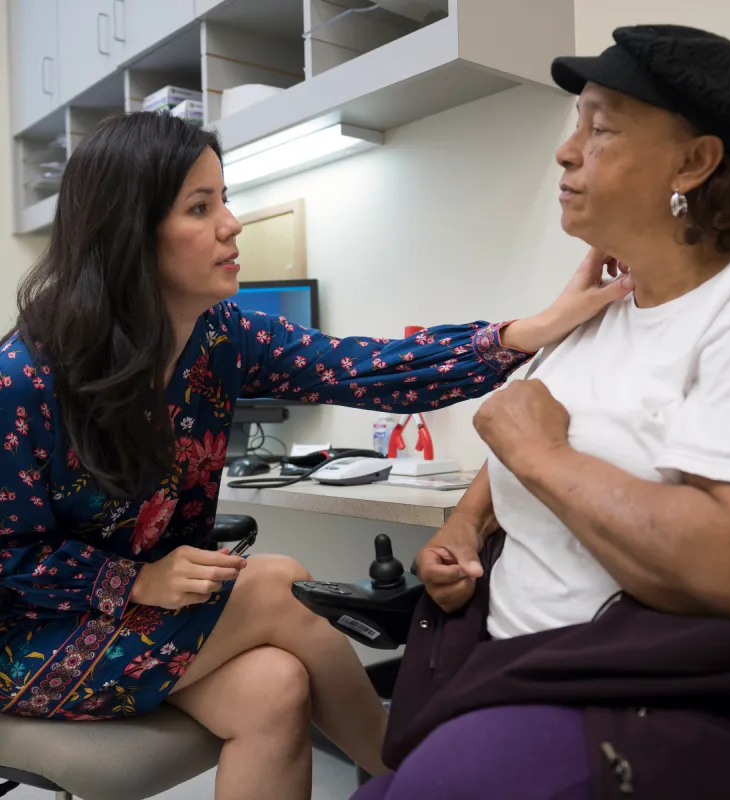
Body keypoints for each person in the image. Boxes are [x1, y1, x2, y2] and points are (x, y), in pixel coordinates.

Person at [0, 112, 633, 800]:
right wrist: (134, 583)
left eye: (224, 198)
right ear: (129, 233)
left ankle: (406, 776)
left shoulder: (222, 337)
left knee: (276, 686)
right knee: (274, 582)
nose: (233, 223)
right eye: (200, 206)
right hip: (32, 640)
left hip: (130, 626)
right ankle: (410, 779)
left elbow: (371, 369)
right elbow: (9, 557)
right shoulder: (26, 378)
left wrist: (530, 330)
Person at [354, 24, 730, 800]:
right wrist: (461, 529)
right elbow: (509, 447)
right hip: (508, 664)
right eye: (574, 124)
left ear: (694, 162)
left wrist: (543, 457)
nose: (566, 151)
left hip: (634, 685)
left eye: (600, 127)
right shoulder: (603, 311)